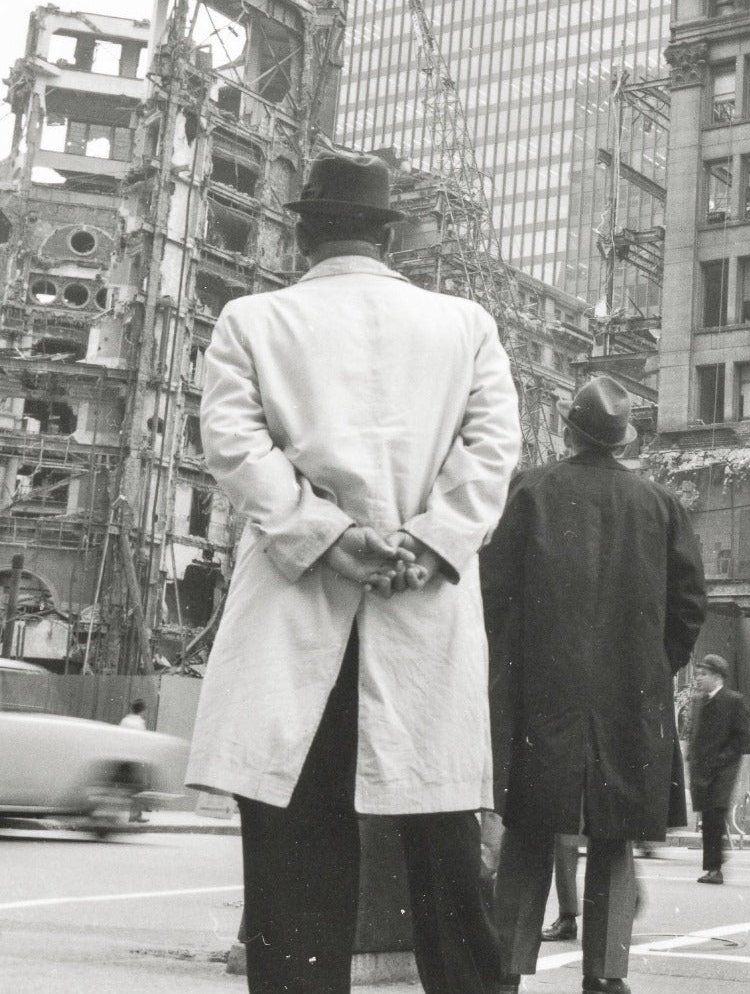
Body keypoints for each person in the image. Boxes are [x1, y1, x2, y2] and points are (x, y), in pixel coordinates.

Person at [186, 152, 522, 994]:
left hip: (298, 608)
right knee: (447, 856)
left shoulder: (252, 321)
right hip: (423, 608)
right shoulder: (466, 324)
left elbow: (233, 444)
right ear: (390, 237)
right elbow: (492, 451)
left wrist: (324, 535)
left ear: (303, 232)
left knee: (296, 856)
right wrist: (429, 540)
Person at [482, 375, 706, 994]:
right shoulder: (661, 505)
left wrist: (509, 667)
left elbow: (490, 595)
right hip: (629, 699)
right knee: (614, 839)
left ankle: (506, 969)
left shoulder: (528, 491)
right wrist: (653, 668)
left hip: (538, 693)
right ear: (623, 440)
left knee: (528, 829)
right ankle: (606, 976)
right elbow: (689, 607)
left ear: (567, 429)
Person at [687, 654, 750, 886]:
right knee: (709, 819)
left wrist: (722, 759)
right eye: (698, 674)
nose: (698, 678)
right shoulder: (698, 701)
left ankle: (715, 868)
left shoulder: (733, 701)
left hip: (722, 772)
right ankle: (712, 867)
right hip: (702, 771)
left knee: (714, 817)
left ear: (717, 677)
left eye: (703, 674)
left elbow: (743, 739)